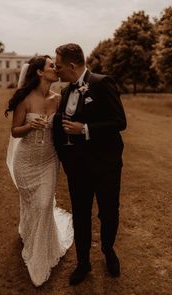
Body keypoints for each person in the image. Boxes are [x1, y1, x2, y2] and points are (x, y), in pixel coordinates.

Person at [53, 43, 127, 285]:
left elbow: (119, 122)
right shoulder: (65, 92)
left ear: (72, 66)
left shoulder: (102, 83)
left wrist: (85, 129)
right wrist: (66, 161)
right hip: (78, 169)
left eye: (59, 66)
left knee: (108, 212)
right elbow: (60, 129)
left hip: (106, 165)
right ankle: (83, 262)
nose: (57, 70)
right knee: (80, 216)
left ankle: (108, 250)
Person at [5, 55, 73, 287]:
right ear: (39, 73)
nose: (56, 68)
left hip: (48, 160)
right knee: (32, 204)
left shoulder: (59, 98)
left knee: (44, 205)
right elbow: (15, 131)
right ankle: (29, 231)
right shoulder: (25, 98)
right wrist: (29, 125)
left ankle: (39, 258)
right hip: (25, 161)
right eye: (51, 66)